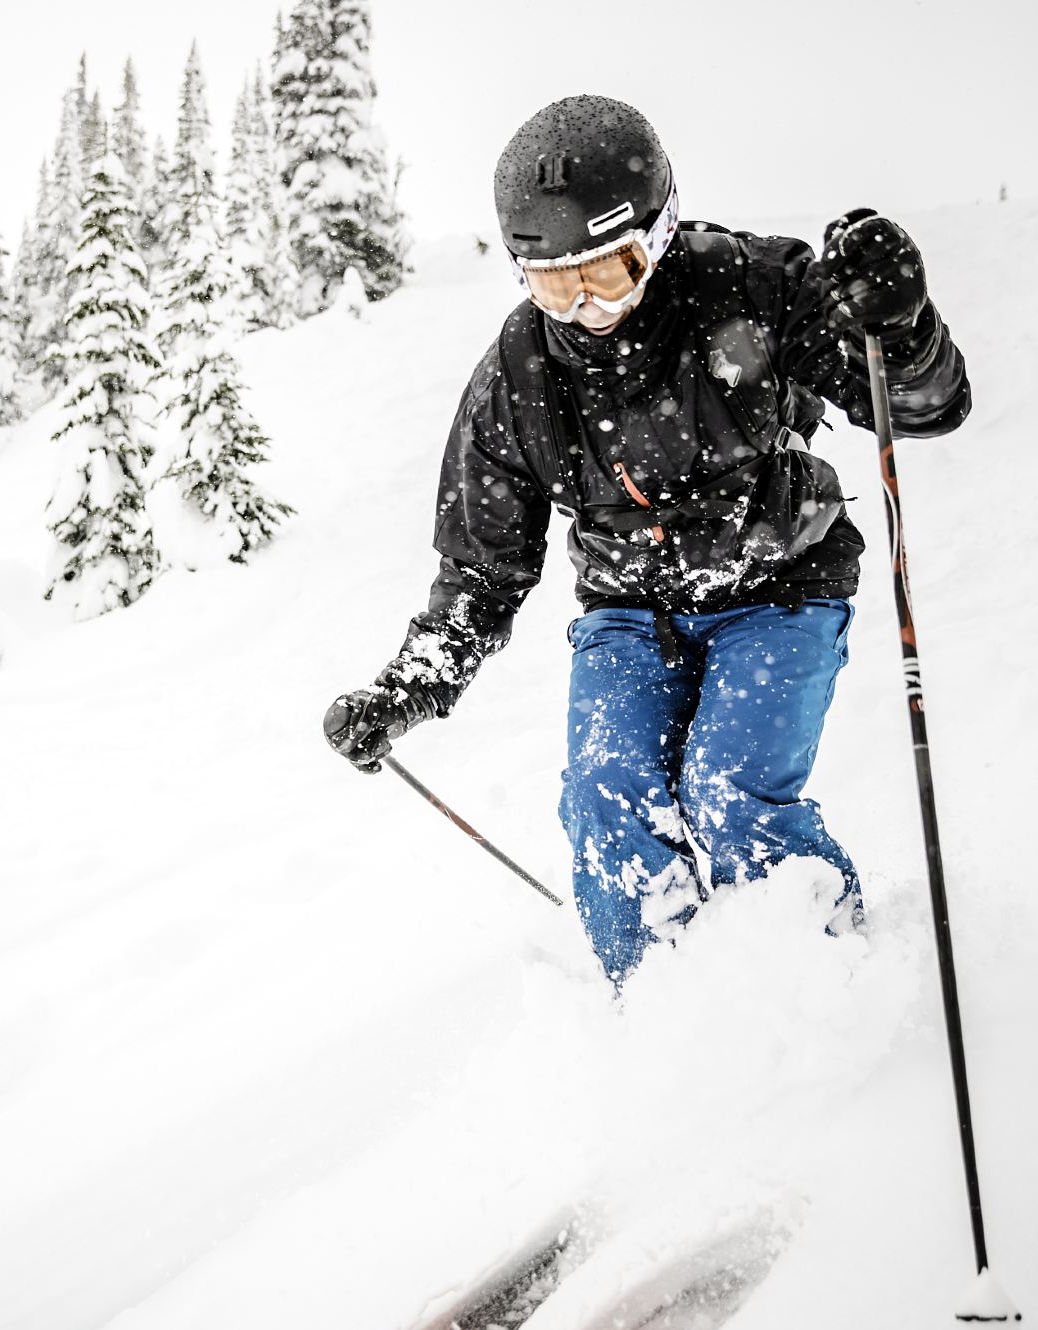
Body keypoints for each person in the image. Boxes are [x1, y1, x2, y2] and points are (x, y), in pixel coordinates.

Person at [322, 96, 971, 987]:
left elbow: (924, 406)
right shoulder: (521, 372)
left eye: (610, 273)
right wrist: (407, 690)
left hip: (778, 589)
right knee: (605, 803)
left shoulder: (752, 287)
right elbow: (480, 571)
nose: (588, 307)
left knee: (726, 791)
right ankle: (670, 1009)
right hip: (630, 614)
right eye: (557, 284)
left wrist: (900, 324)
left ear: (659, 235)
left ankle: (832, 987)